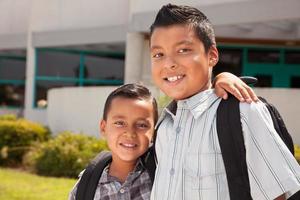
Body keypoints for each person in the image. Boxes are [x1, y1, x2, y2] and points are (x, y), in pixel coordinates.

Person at [149, 4, 300, 200]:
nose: (168, 63)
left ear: (212, 55)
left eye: (183, 50)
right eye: (158, 54)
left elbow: (276, 196)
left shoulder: (244, 111)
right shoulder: (164, 127)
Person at [69, 74, 258, 200]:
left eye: (142, 125)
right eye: (120, 123)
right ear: (103, 127)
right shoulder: (88, 182)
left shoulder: (165, 170)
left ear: (154, 133)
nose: (130, 132)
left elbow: (192, 111)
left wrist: (220, 78)